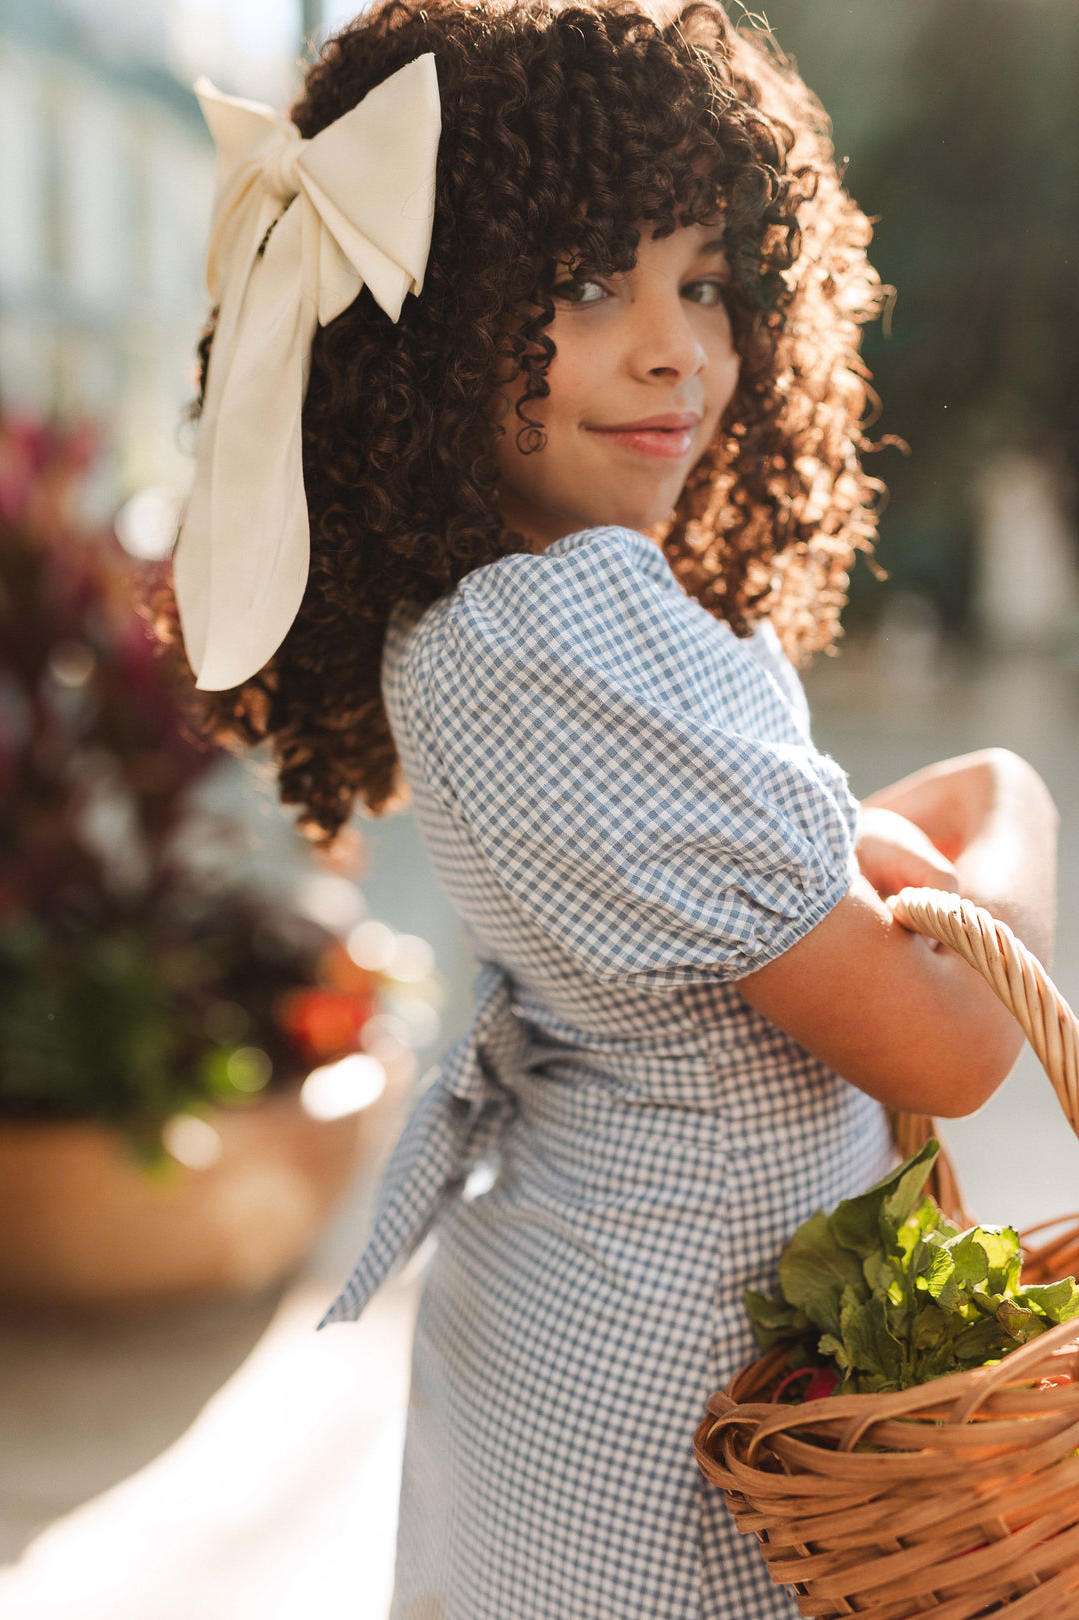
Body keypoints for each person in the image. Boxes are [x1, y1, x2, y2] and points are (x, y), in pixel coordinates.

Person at [160, 1, 1059, 1613]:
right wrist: (1018, 814)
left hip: (576, 1339)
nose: (678, 346)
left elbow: (770, 872)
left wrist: (885, 854)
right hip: (677, 1396)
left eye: (706, 280)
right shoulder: (582, 628)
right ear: (427, 335)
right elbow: (957, 1044)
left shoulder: (472, 625)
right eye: (587, 285)